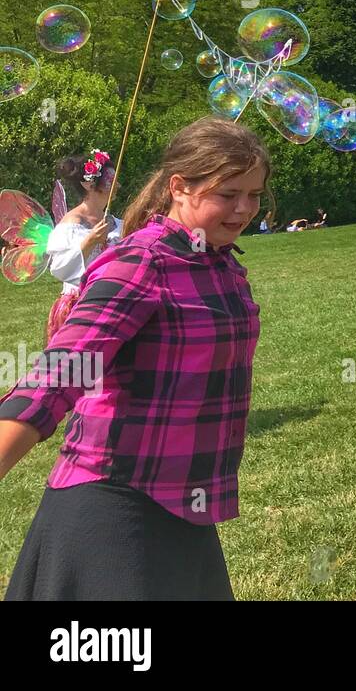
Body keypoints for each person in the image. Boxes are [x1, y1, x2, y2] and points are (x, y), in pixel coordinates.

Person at [0, 117, 270, 600]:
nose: (244, 209)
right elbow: (61, 371)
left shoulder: (218, 261)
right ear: (178, 188)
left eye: (254, 194)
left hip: (185, 506)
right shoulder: (142, 262)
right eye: (228, 194)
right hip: (114, 511)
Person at [45, 151, 124, 340]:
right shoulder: (71, 224)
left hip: (110, 304)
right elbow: (59, 268)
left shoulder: (117, 223)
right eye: (110, 180)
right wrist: (90, 241)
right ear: (89, 185)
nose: (117, 185)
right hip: (80, 307)